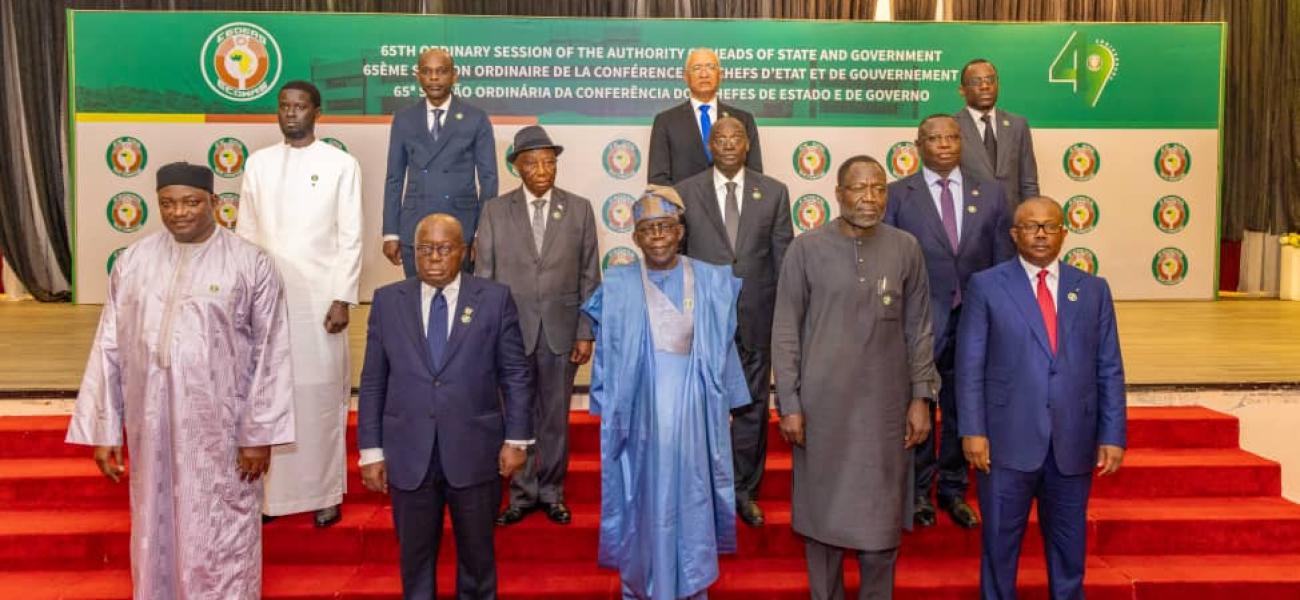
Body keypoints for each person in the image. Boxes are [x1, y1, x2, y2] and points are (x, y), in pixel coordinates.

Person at [66, 161, 295, 599]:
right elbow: (109, 347)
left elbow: (272, 353)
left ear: (213, 203)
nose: (179, 212)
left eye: (191, 202)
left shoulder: (250, 265)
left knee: (220, 531)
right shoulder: (134, 262)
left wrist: (258, 434)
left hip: (220, 434)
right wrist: (105, 428)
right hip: (151, 427)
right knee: (154, 526)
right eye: (168, 203)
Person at [772, 156, 938, 600]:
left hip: (885, 411)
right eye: (859, 188)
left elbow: (919, 326)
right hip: (821, 410)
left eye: (879, 188)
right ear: (838, 194)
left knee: (881, 523)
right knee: (822, 523)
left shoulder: (906, 248)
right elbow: (786, 330)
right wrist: (788, 403)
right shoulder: (805, 249)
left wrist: (921, 396)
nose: (870, 197)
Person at [583, 188, 751, 600]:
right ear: (636, 238)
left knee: (691, 497)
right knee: (644, 498)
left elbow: (723, 343)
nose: (657, 235)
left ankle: (691, 585)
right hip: (641, 412)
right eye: (647, 229)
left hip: (695, 410)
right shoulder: (619, 283)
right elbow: (606, 351)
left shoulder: (711, 279)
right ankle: (643, 585)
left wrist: (727, 400)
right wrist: (607, 405)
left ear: (680, 232)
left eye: (665, 226)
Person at [956, 197, 1126, 600]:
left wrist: (1113, 434)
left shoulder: (1093, 290)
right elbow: (969, 366)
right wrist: (973, 431)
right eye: (1031, 226)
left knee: (1069, 553)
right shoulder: (986, 286)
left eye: (1050, 226)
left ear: (1064, 233)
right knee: (1000, 548)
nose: (1040, 233)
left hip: (1072, 444)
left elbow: (1109, 367)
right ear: (1014, 234)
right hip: (1005, 443)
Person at [357, 213, 532, 599]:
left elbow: (515, 373)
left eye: (444, 248)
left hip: (475, 450)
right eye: (424, 249)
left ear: (465, 252)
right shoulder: (388, 302)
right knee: (415, 560)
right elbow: (372, 381)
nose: (434, 257)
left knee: (477, 558)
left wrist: (517, 439)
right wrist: (370, 451)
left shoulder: (494, 298)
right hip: (409, 452)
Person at [238, 80, 362, 528]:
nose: (291, 113)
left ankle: (325, 492)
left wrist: (343, 296)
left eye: (300, 106)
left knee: (321, 396)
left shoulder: (340, 165)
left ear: (318, 112)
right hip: (267, 299)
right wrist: (245, 295)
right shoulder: (258, 163)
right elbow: (247, 233)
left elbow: (350, 236)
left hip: (320, 302)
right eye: (284, 106)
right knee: (272, 394)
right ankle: (272, 498)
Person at [885, 113, 1014, 531]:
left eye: (951, 137)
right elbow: (891, 264)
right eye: (933, 138)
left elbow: (1002, 264)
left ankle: (954, 490)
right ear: (918, 144)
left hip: (974, 319)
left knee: (963, 405)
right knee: (919, 405)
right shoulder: (897, 196)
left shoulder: (992, 194)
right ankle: (919, 492)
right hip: (919, 321)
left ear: (962, 142)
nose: (943, 144)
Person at [475, 125, 601, 526]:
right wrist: (487, 334)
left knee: (555, 416)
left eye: (550, 161)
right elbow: (484, 277)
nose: (543, 169)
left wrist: (586, 330)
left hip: (562, 331)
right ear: (518, 168)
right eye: (533, 162)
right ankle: (521, 493)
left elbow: (589, 276)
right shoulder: (495, 210)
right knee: (516, 412)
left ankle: (552, 491)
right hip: (510, 332)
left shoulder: (579, 209)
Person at [674, 116, 792, 527]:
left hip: (756, 318)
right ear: (710, 145)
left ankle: (744, 491)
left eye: (735, 138)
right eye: (719, 138)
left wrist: (782, 321)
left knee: (753, 408)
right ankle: (703, 489)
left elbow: (783, 261)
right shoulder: (685, 192)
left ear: (747, 145)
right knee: (701, 406)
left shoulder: (774, 192)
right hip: (702, 320)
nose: (726, 144)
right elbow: (678, 261)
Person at [383, 49, 498, 276]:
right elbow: (394, 178)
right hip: (415, 226)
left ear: (454, 75)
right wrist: (391, 233)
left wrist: (481, 233)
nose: (434, 78)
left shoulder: (476, 118)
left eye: (441, 71)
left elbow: (489, 179)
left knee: (461, 302)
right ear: (418, 76)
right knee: (417, 304)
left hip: (462, 226)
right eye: (427, 72)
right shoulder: (404, 118)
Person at [648, 48, 763, 185]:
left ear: (720, 75)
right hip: (685, 204)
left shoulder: (743, 120)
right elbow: (658, 181)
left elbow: (755, 175)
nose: (704, 74)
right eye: (697, 68)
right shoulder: (666, 121)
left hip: (731, 204)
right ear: (686, 77)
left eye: (710, 67)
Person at [954, 58, 1039, 208]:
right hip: (969, 221)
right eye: (976, 82)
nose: (985, 86)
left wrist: (1030, 220)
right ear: (962, 90)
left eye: (990, 80)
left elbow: (1028, 183)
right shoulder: (952, 126)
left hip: (1011, 222)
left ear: (997, 85)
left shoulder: (1017, 125)